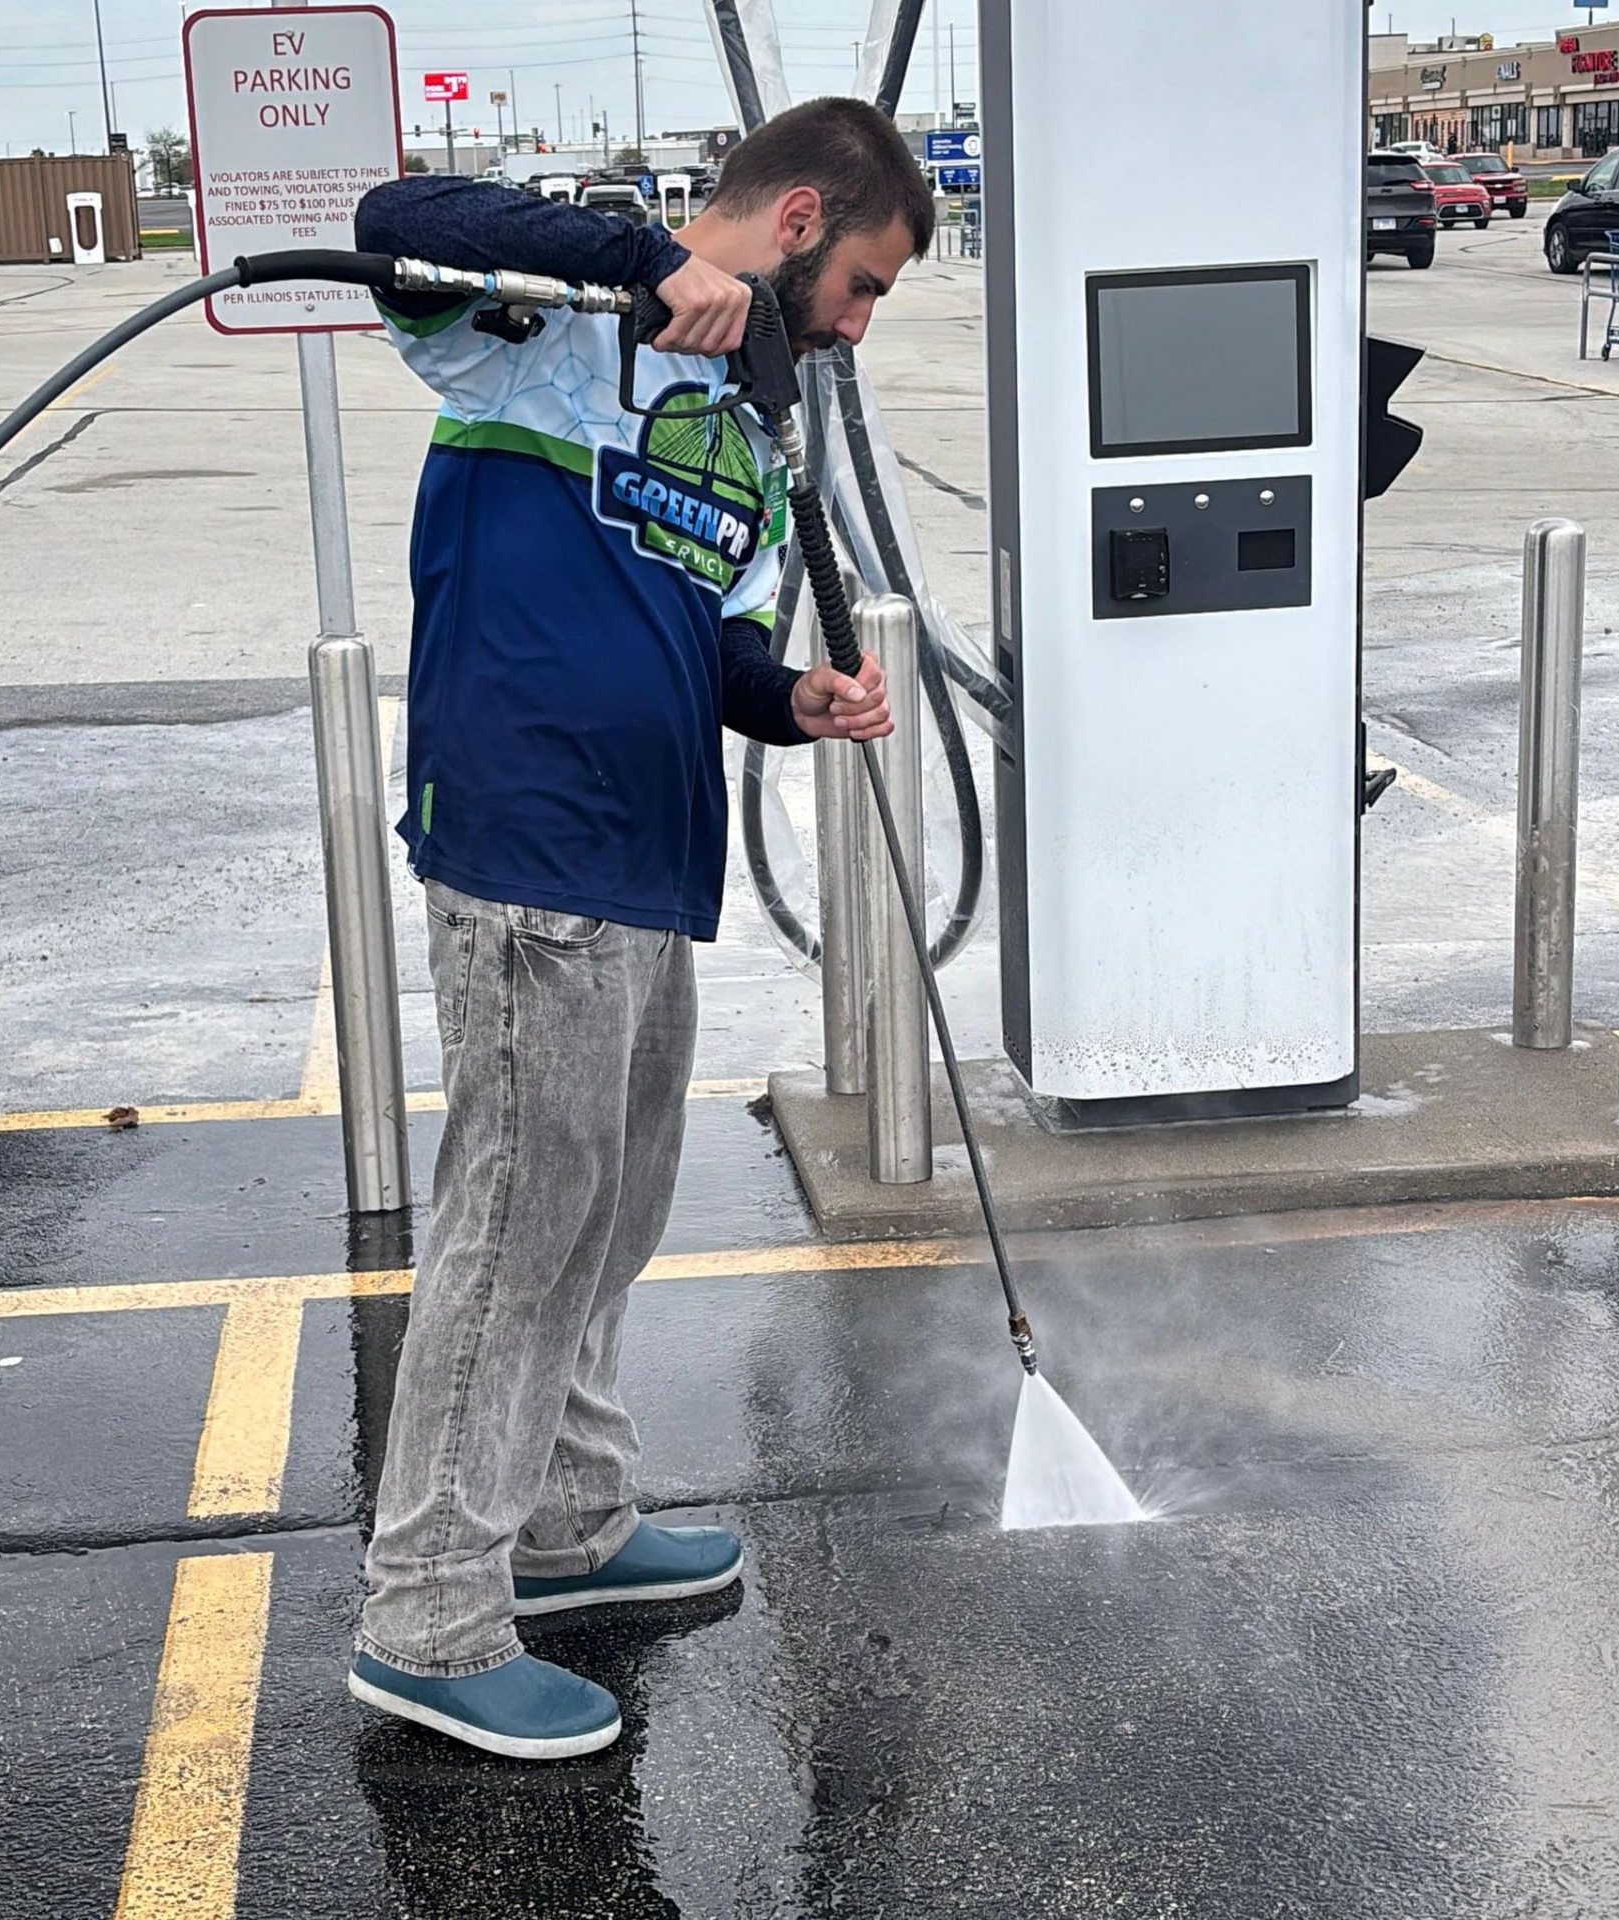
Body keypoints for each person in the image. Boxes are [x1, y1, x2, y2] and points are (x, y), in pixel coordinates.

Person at [348, 98, 934, 1761]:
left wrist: (790, 694)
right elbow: (399, 210)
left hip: (645, 859)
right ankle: (430, 1616)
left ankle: (572, 1526)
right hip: (529, 839)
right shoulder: (548, 339)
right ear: (803, 220)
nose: (862, 325)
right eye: (870, 284)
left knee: (612, 1208)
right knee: (521, 1221)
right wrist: (641, 256)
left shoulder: (750, 425)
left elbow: (716, 632)